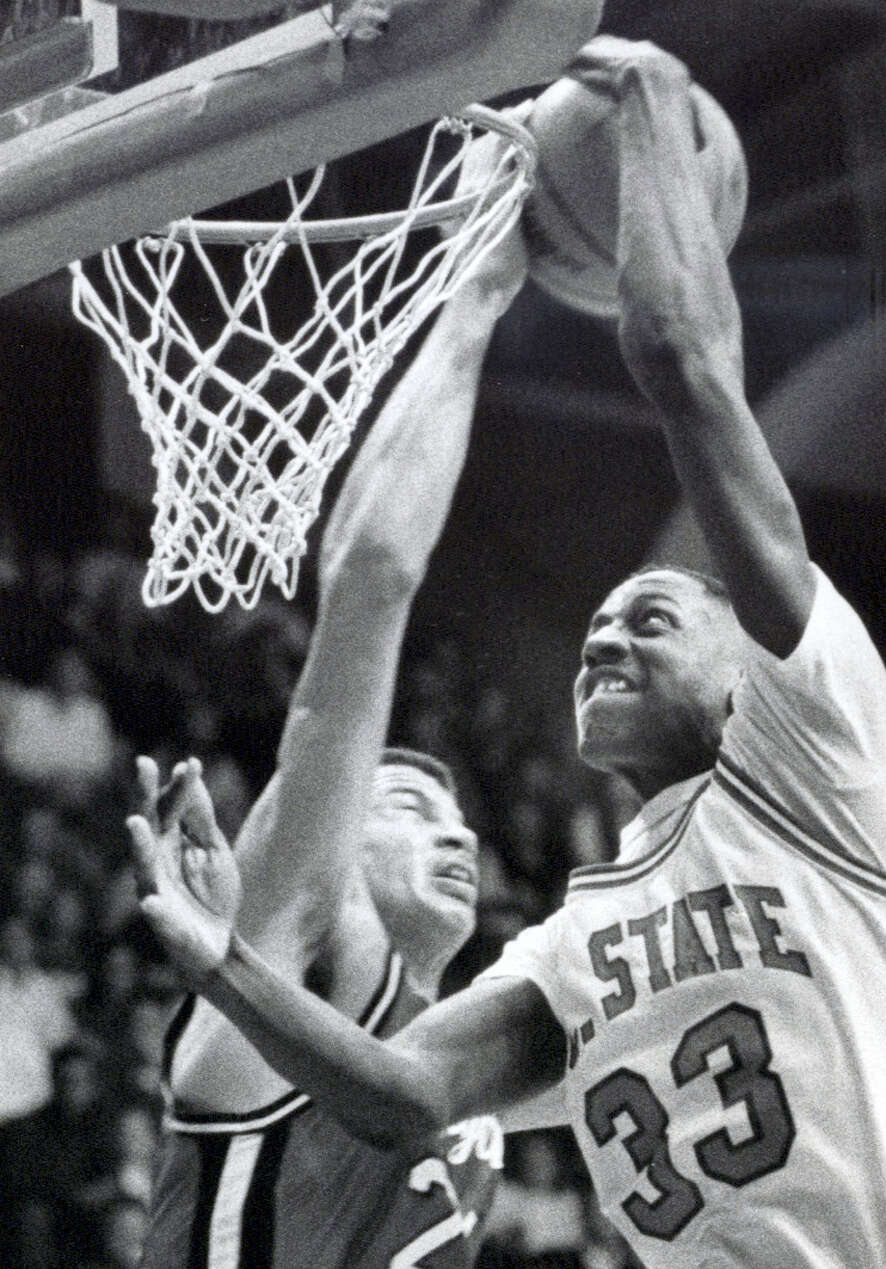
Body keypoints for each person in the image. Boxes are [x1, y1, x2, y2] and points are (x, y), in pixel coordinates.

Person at [126, 38, 886, 1269]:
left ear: (755, 678)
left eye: (652, 615)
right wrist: (224, 968)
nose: (605, 635)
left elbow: (690, 369)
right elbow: (410, 1087)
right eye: (595, 626)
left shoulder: (810, 745)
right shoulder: (560, 947)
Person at [133, 156, 529, 1269]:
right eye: (405, 802)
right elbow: (369, 584)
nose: (456, 831)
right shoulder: (313, 955)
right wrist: (477, 295)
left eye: (455, 814)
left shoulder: (462, 1058)